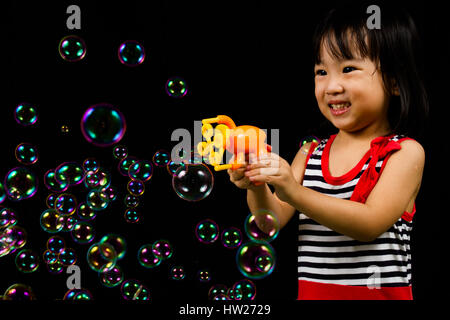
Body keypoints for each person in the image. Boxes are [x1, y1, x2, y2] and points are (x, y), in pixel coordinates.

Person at [227, 2, 428, 300]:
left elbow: (369, 224)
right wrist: (256, 184)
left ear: (394, 81)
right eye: (321, 71)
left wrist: (293, 191)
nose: (331, 86)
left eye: (348, 69)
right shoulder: (310, 153)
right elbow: (271, 220)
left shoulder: (403, 153)